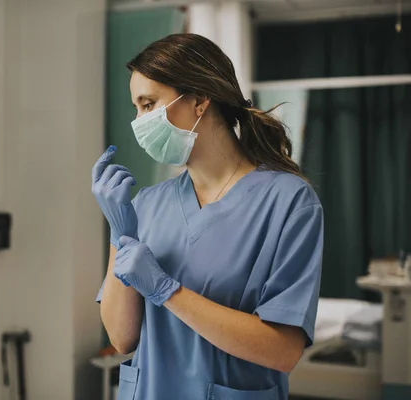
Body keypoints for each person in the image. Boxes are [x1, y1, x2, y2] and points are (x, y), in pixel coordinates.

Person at [91, 33, 323, 400]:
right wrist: (120, 233)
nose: (139, 122)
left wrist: (166, 290)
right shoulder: (145, 205)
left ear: (199, 99)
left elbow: (283, 351)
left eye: (149, 104)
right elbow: (122, 339)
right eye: (136, 107)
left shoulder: (288, 202)